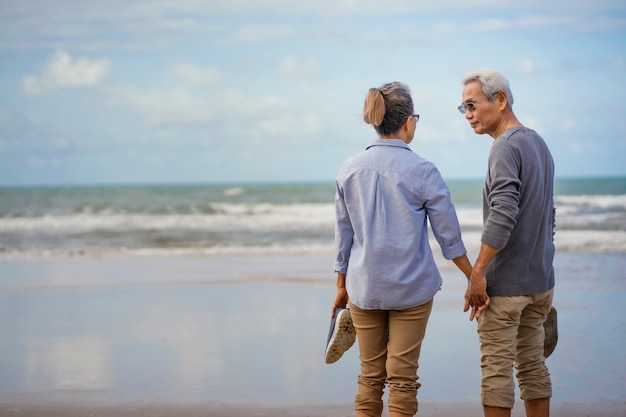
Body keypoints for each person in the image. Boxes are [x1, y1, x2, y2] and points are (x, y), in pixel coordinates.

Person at [330, 81, 481, 417]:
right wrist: (474, 278)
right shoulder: (423, 170)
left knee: (370, 375)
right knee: (402, 378)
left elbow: (344, 235)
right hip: (411, 289)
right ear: (409, 121)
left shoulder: (349, 168)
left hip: (364, 287)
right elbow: (449, 238)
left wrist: (341, 286)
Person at [458, 69, 556, 417]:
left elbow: (503, 213)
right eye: (463, 109)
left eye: (472, 105)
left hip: (507, 288)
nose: (468, 115)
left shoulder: (505, 146)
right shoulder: (538, 144)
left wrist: (478, 272)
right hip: (540, 284)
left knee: (497, 370)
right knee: (532, 366)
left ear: (500, 100)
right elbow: (549, 215)